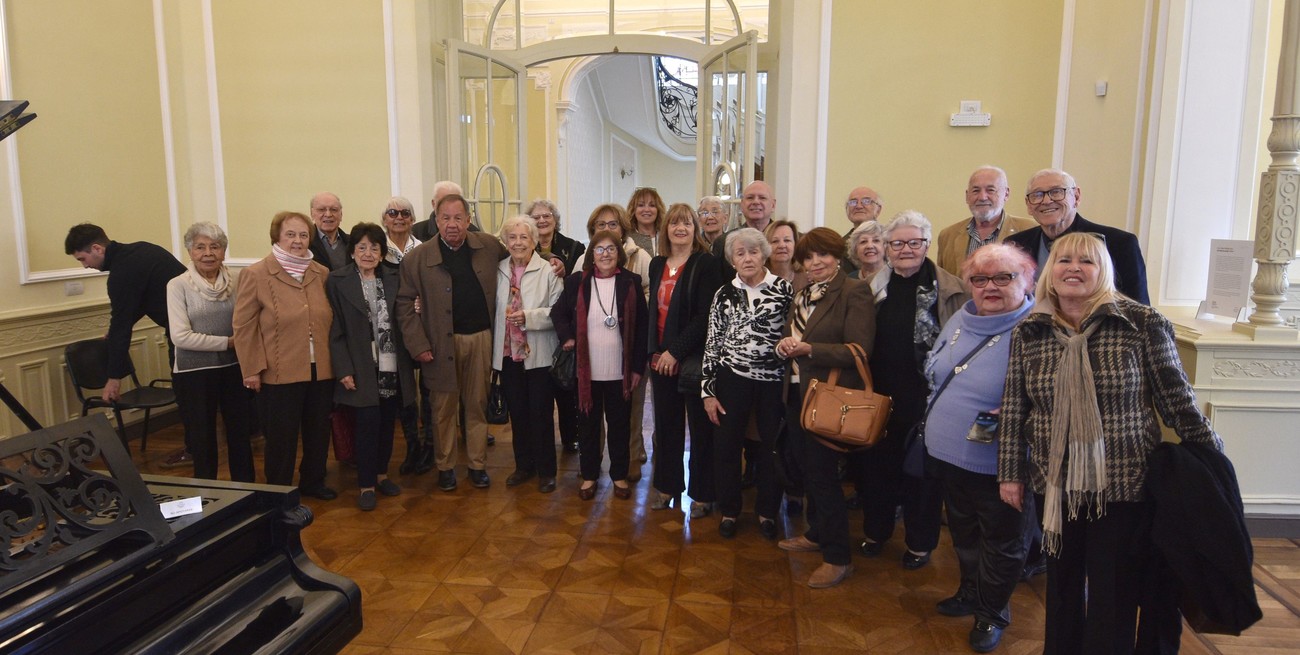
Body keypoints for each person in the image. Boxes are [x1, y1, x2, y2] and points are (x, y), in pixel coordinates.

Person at [998, 232, 1222, 655]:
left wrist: (1214, 459)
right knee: (1061, 584)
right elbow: (1014, 408)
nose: (1074, 269)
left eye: (1088, 261)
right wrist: (1010, 473)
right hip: (1055, 481)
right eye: (1064, 260)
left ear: (1104, 272)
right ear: (1051, 271)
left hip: (1122, 485)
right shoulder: (1030, 329)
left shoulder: (1141, 323)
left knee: (1113, 586)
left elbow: (1177, 399)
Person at [923, 243, 1037, 653]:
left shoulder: (1038, 328)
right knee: (965, 532)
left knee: (1003, 542)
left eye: (1004, 277)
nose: (990, 286)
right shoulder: (962, 317)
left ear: (1027, 280)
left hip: (1000, 464)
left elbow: (1049, 400)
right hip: (951, 453)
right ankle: (969, 592)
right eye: (980, 278)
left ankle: (992, 614)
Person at [858, 211, 969, 569]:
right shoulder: (872, 287)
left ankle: (920, 544)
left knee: (922, 475)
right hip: (878, 395)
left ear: (926, 245)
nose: (906, 249)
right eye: (897, 243)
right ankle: (876, 532)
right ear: (887, 248)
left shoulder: (952, 288)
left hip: (928, 398)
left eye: (914, 242)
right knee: (876, 470)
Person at [774, 227, 875, 589]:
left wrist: (809, 350)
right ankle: (816, 533)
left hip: (829, 397)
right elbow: (796, 337)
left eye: (824, 255)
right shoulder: (801, 294)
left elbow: (859, 349)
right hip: (796, 392)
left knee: (823, 475)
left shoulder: (853, 290)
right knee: (804, 468)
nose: (815, 263)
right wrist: (785, 347)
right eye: (809, 257)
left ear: (838, 258)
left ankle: (838, 558)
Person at [397, 193, 505, 492]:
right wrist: (418, 344)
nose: (452, 224)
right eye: (445, 218)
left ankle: (477, 465)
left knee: (477, 404)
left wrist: (555, 262)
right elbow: (404, 304)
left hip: (481, 338)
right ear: (436, 220)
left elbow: (519, 261)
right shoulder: (417, 258)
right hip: (438, 343)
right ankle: (445, 467)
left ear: (468, 220)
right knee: (442, 407)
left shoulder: (488, 246)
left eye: (458, 218)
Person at [65, 223, 190, 467]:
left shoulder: (121, 274)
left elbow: (124, 323)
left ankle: (194, 450)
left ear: (97, 248)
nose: (85, 265)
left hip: (184, 336)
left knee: (186, 393)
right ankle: (247, 431)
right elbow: (140, 302)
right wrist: (114, 331)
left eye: (83, 258)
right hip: (206, 325)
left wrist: (113, 379)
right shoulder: (143, 250)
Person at [232, 211, 336, 499]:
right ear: (276, 237)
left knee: (318, 433)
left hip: (322, 369)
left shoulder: (321, 273)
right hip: (278, 372)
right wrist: (251, 369)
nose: (298, 241)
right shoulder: (255, 274)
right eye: (290, 234)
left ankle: (313, 482)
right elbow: (243, 327)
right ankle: (279, 490)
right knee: (282, 438)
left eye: (303, 235)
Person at [701, 228, 793, 539]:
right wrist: (708, 392)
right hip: (731, 379)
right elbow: (712, 344)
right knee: (726, 446)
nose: (747, 258)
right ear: (732, 260)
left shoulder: (783, 290)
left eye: (753, 251)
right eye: (740, 253)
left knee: (771, 447)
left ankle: (767, 512)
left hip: (772, 381)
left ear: (764, 254)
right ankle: (729, 510)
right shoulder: (724, 294)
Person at [551, 230, 648, 500]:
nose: (605, 254)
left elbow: (642, 328)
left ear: (619, 254)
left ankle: (618, 476)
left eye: (611, 249)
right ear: (591, 254)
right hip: (587, 373)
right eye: (599, 249)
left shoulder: (631, 282)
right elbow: (557, 313)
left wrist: (638, 367)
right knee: (589, 427)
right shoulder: (576, 283)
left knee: (619, 426)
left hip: (620, 371)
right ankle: (590, 475)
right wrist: (568, 337)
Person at [326, 222, 416, 510]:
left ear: (382, 252)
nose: (368, 253)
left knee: (388, 423)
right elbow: (335, 330)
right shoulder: (337, 281)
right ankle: (365, 485)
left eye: (374, 248)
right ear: (352, 251)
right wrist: (344, 370)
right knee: (366, 423)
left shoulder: (393, 277)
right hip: (359, 363)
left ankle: (381, 475)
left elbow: (405, 314)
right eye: (362, 247)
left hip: (390, 363)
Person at [647, 204, 723, 516]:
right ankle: (667, 487)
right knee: (666, 426)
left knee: (701, 430)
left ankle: (703, 493)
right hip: (660, 358)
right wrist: (656, 352)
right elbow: (654, 312)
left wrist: (675, 351)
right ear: (666, 229)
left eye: (687, 223)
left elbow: (707, 316)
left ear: (695, 229)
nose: (681, 228)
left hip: (693, 358)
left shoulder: (705, 263)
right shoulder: (656, 264)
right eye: (674, 223)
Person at [166, 222, 255, 483]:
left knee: (240, 434)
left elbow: (249, 318)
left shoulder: (238, 280)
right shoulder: (177, 285)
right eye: (200, 247)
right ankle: (207, 494)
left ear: (223, 252)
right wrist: (227, 343)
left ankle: (247, 489)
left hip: (235, 367)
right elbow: (180, 337)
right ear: (190, 252)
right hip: (194, 371)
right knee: (202, 438)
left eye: (215, 247)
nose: (208, 253)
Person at [492, 215, 564, 493]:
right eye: (512, 237)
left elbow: (558, 312)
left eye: (524, 237)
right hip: (508, 354)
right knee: (518, 413)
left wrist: (529, 318)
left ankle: (547, 470)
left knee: (541, 414)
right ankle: (524, 465)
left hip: (539, 355)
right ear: (505, 241)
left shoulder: (549, 271)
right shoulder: (497, 270)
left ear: (534, 241)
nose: (518, 242)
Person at [1005, 168, 1150, 304]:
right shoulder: (1015, 245)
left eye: (1056, 192)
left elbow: (1139, 308)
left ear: (1076, 196)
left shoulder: (1118, 243)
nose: (1047, 201)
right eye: (1037, 195)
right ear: (1028, 205)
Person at [587, 204, 652, 479]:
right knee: (594, 414)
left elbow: (649, 291)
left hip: (628, 344)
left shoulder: (641, 256)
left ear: (623, 228)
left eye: (613, 224)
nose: (607, 229)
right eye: (601, 225)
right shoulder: (585, 257)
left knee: (631, 410)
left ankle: (630, 458)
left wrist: (629, 308)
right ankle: (596, 462)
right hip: (596, 353)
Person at [526, 199, 585, 459]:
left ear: (555, 219)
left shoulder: (573, 247)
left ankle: (571, 436)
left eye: (546, 215)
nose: (541, 221)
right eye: (536, 217)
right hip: (533, 326)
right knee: (542, 390)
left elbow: (578, 281)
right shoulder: (525, 246)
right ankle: (542, 441)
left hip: (566, 323)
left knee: (566, 384)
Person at [936, 166, 1036, 277]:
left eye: (990, 190)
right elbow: (943, 285)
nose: (982, 197)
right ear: (967, 196)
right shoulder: (948, 236)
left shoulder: (1030, 230)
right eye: (976, 191)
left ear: (1006, 194)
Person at [711, 180, 777, 278]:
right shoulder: (723, 243)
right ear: (742, 204)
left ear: (773, 205)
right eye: (750, 198)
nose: (756, 202)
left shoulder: (790, 241)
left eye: (762, 198)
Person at [309, 192, 350, 270]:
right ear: (312, 214)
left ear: (341, 214)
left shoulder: (353, 242)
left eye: (334, 210)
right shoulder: (305, 242)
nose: (328, 214)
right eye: (321, 210)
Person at [626, 187, 666, 258]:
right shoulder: (626, 238)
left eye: (652, 205)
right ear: (633, 210)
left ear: (658, 210)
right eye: (641, 205)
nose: (647, 209)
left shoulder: (666, 236)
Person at [845, 220, 887, 286]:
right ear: (855, 249)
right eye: (863, 241)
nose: (870, 246)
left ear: (886, 246)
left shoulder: (895, 278)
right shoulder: (848, 281)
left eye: (876, 240)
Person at [382, 196, 421, 265]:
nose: (399, 217)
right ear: (384, 220)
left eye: (405, 213)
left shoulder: (422, 249)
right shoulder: (379, 248)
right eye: (393, 213)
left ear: (412, 220)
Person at [764, 220, 801, 286]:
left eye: (787, 240)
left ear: (795, 245)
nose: (782, 245)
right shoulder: (758, 278)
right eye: (775, 241)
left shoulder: (807, 278)